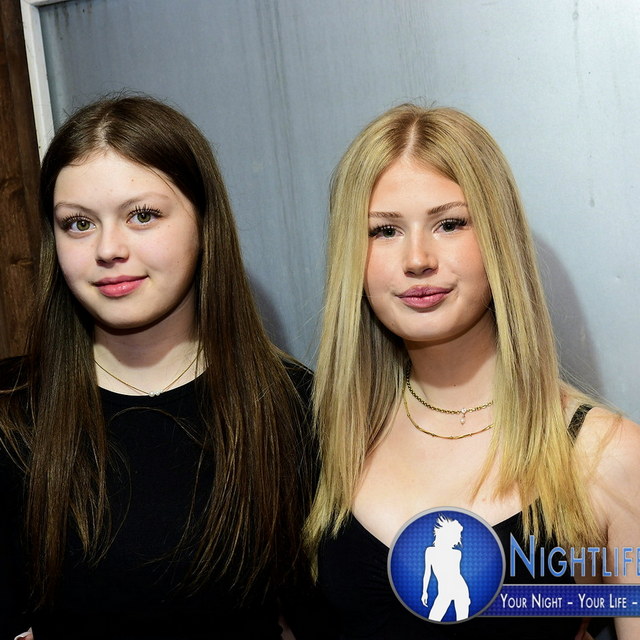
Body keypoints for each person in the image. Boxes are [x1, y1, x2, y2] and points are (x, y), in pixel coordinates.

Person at [305, 103, 640, 639]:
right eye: (384, 230)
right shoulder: (317, 443)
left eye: (450, 223)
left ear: (498, 238)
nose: (418, 259)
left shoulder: (609, 456)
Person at [0, 95, 319, 639]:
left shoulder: (290, 406)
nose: (108, 249)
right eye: (78, 223)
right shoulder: (12, 414)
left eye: (142, 215)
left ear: (204, 223)